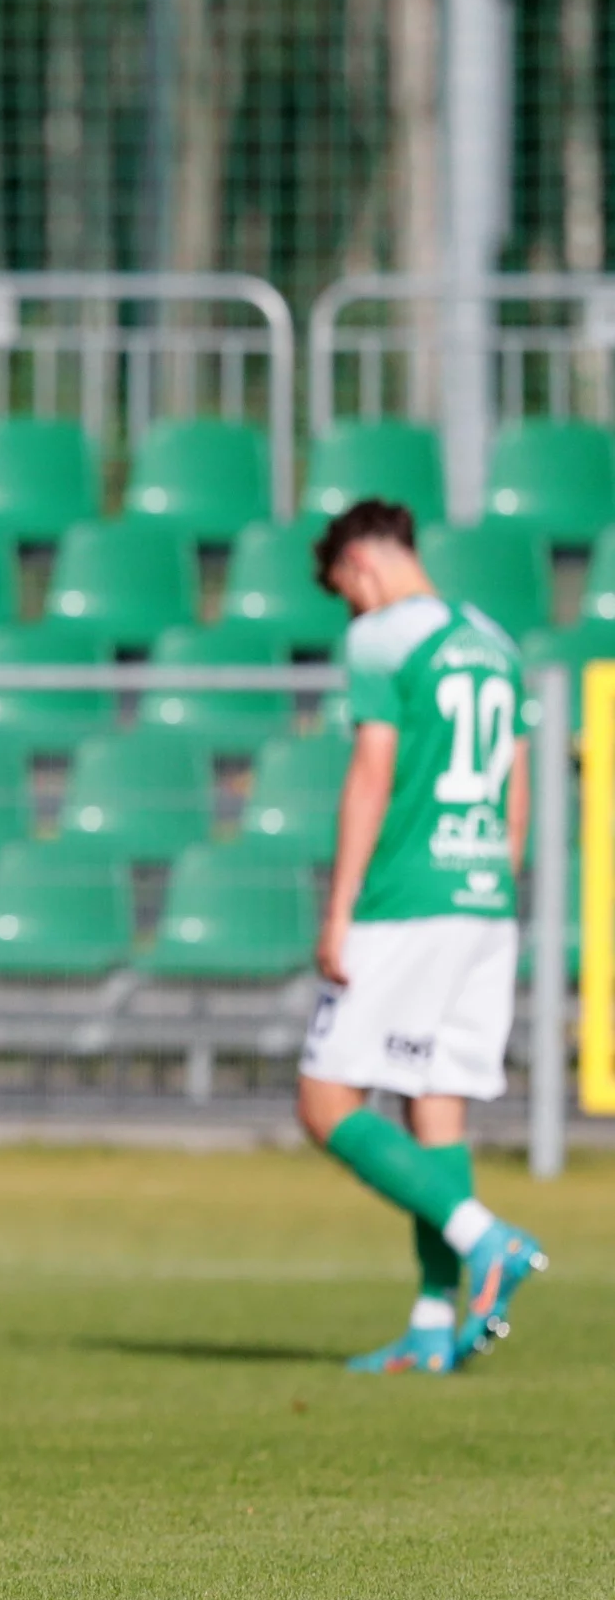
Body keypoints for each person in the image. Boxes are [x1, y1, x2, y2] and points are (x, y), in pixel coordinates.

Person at [296, 499, 549, 1373]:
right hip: (484, 896)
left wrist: (338, 912)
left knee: (325, 1103)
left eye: (347, 594)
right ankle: (435, 1326)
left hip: (408, 896)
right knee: (433, 1102)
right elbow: (516, 782)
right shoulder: (496, 638)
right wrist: (496, 884)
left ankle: (488, 1240)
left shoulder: (381, 638)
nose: (353, 611)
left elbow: (371, 775)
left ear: (362, 567)